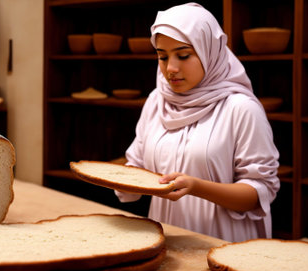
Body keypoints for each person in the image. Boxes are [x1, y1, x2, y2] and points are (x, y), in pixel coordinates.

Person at [115, 2, 280, 242]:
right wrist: (120, 178)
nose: (170, 68)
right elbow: (137, 164)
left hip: (223, 241)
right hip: (166, 238)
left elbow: (259, 193)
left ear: (209, 51)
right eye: (162, 56)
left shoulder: (241, 108)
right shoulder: (156, 100)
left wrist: (197, 187)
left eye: (183, 55)